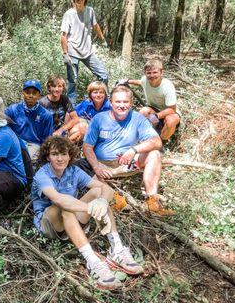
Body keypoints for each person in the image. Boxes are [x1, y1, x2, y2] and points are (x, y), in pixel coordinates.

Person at [32, 136, 143, 290]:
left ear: (70, 155)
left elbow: (106, 189)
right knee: (65, 207)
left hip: (71, 221)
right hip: (50, 223)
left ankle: (116, 249)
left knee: (99, 192)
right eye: (55, 154)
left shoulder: (73, 171)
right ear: (48, 157)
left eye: (64, 154)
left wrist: (102, 202)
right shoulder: (42, 175)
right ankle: (93, 262)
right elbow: (58, 199)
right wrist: (91, 208)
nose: (60, 158)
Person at [82, 85, 174, 216]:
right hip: (102, 166)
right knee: (81, 171)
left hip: (127, 164)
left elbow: (156, 141)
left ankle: (152, 202)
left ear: (131, 103)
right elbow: (87, 147)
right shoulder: (99, 119)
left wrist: (133, 150)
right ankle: (115, 199)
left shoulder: (138, 119)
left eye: (125, 102)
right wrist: (96, 167)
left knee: (154, 154)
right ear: (110, 102)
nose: (121, 105)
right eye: (117, 102)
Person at [60, 0, 108, 104]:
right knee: (72, 81)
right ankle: (71, 109)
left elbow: (95, 25)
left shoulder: (90, 11)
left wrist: (103, 39)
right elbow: (63, 36)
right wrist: (65, 54)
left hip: (87, 51)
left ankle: (101, 102)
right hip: (73, 51)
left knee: (103, 75)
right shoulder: (69, 14)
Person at [120, 59, 180, 141]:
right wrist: (127, 81)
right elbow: (140, 82)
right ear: (145, 73)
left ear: (161, 72)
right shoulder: (145, 80)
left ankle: (162, 140)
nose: (152, 76)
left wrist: (156, 116)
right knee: (144, 111)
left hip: (170, 112)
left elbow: (172, 110)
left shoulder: (167, 86)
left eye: (155, 72)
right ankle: (155, 131)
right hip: (154, 110)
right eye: (149, 73)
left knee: (170, 120)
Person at [5, 80, 54, 161]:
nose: (30, 96)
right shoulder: (12, 110)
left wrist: (43, 155)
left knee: (25, 158)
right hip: (15, 142)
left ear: (39, 95)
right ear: (23, 93)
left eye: (34, 93)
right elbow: (3, 128)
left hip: (33, 145)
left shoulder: (46, 115)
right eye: (28, 92)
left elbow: (47, 139)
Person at [39, 76, 86, 142]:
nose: (57, 89)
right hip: (47, 134)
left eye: (59, 86)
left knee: (82, 129)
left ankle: (65, 145)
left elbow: (75, 118)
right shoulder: (42, 102)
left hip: (61, 132)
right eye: (54, 86)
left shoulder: (65, 99)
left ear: (63, 88)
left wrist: (61, 130)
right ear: (49, 87)